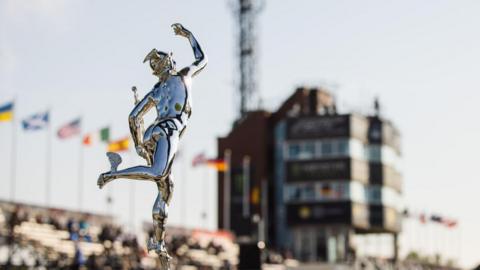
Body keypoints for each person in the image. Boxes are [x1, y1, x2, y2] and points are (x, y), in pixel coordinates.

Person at [97, 23, 207, 268]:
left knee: (166, 189)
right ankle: (114, 173)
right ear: (170, 63)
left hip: (151, 134)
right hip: (169, 131)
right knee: (159, 173)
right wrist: (188, 35)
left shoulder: (156, 90)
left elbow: (133, 117)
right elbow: (203, 58)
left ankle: (159, 241)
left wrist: (138, 143)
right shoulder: (184, 76)